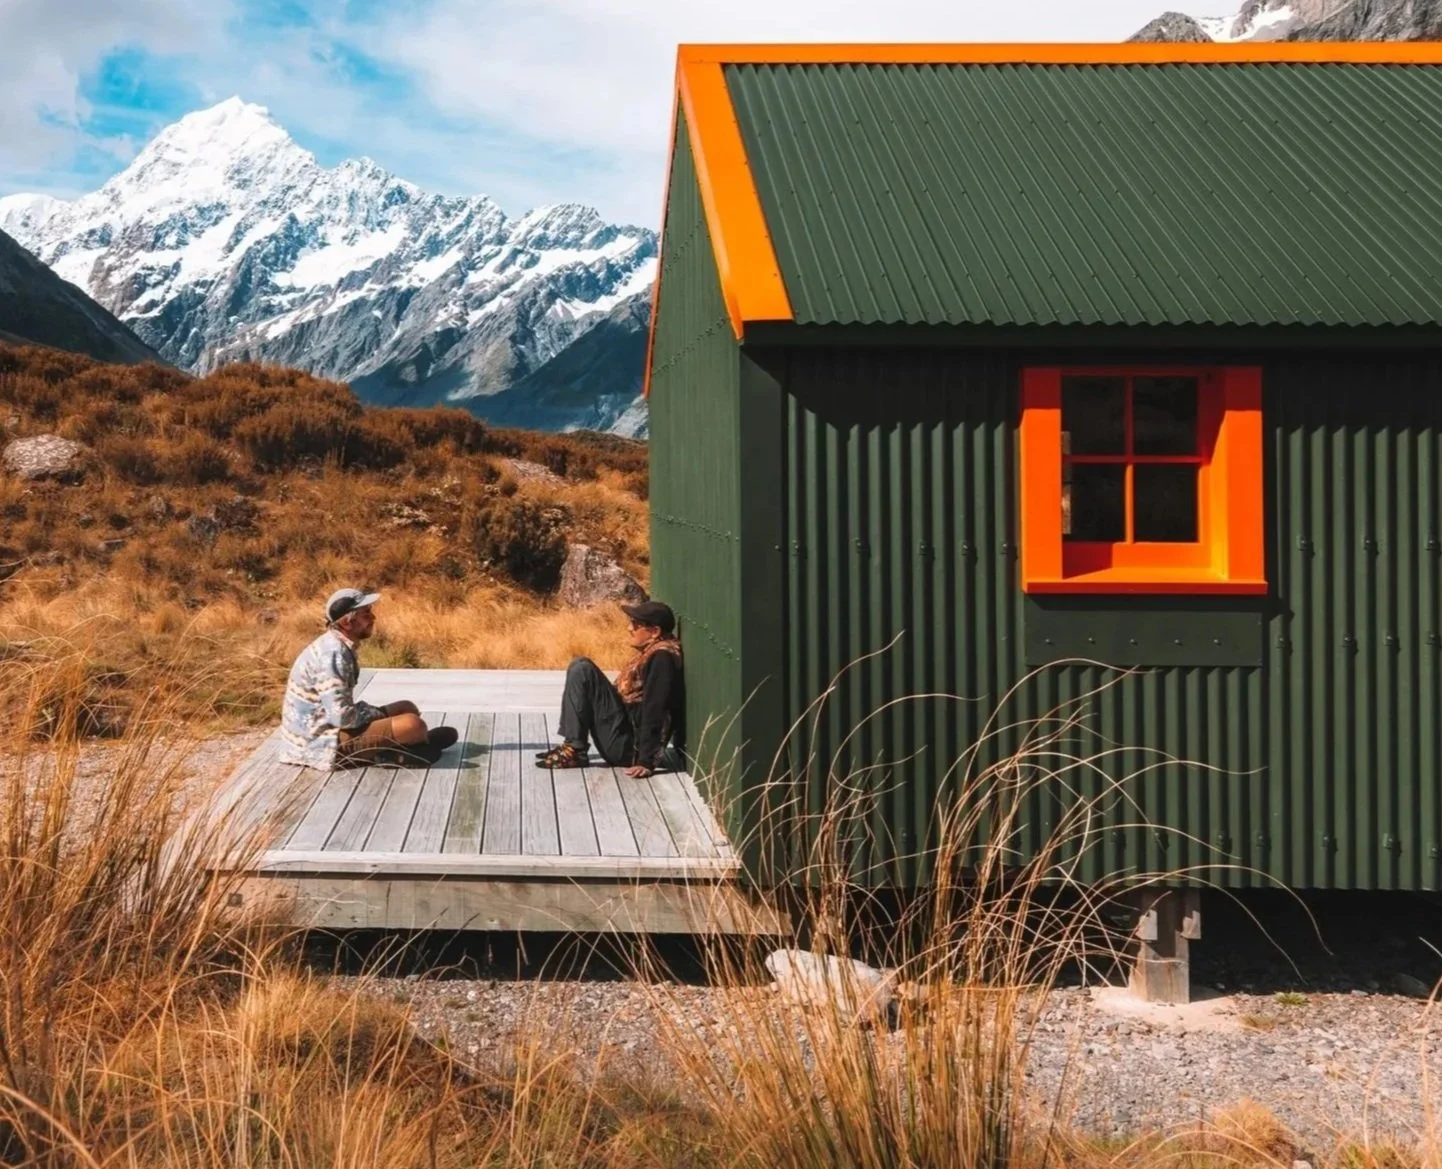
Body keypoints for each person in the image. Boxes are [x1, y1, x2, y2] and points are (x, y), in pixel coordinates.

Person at [278, 587, 458, 769]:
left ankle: (408, 746)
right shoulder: (333, 655)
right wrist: (375, 714)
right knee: (413, 724)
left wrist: (374, 714)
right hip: (319, 744)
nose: (373, 618)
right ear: (347, 623)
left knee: (407, 707)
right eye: (366, 614)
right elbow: (342, 718)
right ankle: (404, 747)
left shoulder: (338, 645)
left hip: (326, 729)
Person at [535, 599, 684, 777]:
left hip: (629, 749)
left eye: (636, 625)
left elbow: (656, 708)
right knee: (580, 666)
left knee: (582, 668)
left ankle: (575, 748)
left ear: (655, 631)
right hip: (624, 734)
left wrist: (646, 761)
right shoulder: (656, 651)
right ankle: (573, 747)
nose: (630, 628)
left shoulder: (662, 658)